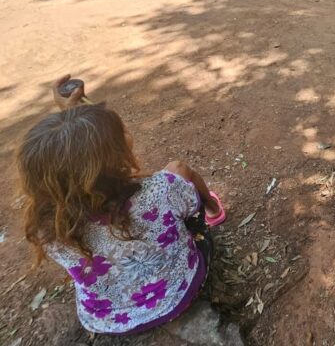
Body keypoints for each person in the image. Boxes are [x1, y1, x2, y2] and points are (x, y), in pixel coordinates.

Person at [18, 76, 227, 335]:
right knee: (179, 170)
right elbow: (88, 160)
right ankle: (214, 211)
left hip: (109, 320)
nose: (127, 132)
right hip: (180, 290)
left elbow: (73, 166)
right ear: (114, 157)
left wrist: (72, 115)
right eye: (121, 134)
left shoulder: (48, 230)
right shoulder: (160, 190)